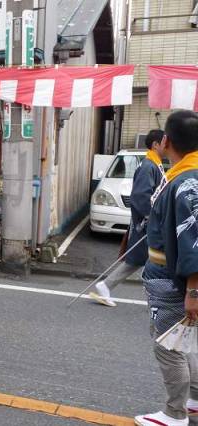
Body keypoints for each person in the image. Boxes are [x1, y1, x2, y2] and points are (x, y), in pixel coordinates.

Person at [135, 110, 198, 426]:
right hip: (178, 280)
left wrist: (193, 291)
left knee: (169, 345)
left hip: (172, 280)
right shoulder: (189, 174)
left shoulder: (186, 181)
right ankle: (194, 400)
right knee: (186, 339)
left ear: (168, 141)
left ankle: (175, 413)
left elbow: (193, 241)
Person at [90, 129, 166, 307]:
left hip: (146, 224)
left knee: (140, 259)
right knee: (153, 260)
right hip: (146, 224)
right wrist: (151, 218)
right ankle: (160, 299)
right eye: (164, 142)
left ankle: (106, 285)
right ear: (155, 145)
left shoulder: (153, 164)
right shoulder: (149, 166)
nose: (167, 145)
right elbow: (140, 196)